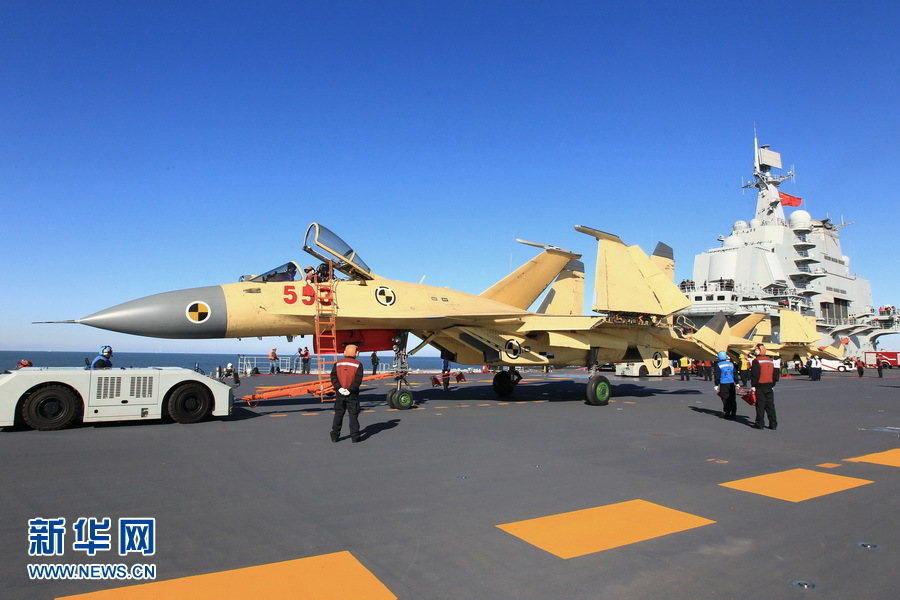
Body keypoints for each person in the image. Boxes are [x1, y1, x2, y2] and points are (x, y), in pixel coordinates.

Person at [330, 344, 365, 443]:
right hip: (352, 394)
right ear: (355, 353)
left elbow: (333, 377)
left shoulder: (337, 363)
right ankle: (355, 437)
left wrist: (339, 388)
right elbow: (358, 381)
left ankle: (335, 436)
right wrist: (349, 390)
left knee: (338, 414)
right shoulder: (358, 364)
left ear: (345, 352)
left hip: (339, 393)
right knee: (353, 415)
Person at [750, 344, 779, 430]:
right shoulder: (770, 361)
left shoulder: (756, 361)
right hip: (769, 386)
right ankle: (773, 424)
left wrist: (753, 386)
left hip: (760, 386)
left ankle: (760, 424)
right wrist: (772, 384)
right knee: (770, 406)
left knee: (760, 406)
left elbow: (755, 374)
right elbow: (775, 374)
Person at [713, 351, 737, 420]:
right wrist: (737, 382)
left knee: (725, 398)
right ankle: (733, 413)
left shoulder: (718, 365)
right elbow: (734, 373)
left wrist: (716, 384)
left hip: (723, 383)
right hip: (731, 383)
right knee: (732, 398)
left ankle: (727, 413)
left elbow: (717, 375)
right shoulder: (731, 364)